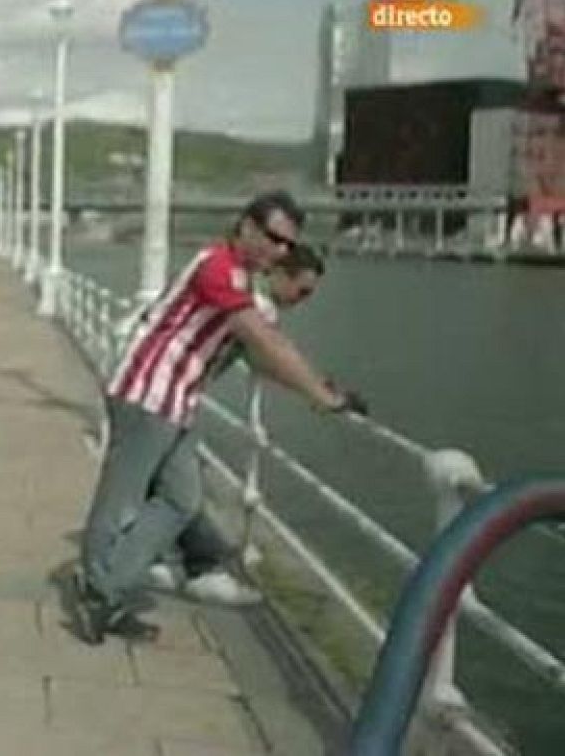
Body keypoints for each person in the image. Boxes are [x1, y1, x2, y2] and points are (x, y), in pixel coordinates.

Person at [69, 191, 366, 645]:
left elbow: (262, 356)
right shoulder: (218, 269)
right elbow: (264, 343)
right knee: (120, 501)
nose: (280, 250)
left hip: (175, 403)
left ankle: (106, 586)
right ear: (246, 226)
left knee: (181, 501)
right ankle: (100, 594)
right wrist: (321, 398)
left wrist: (321, 391)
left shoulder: (242, 280)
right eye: (273, 238)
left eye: (287, 244)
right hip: (145, 396)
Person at [147, 243, 330, 606]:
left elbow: (261, 359)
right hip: (160, 394)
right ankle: (182, 565)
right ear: (279, 274)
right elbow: (270, 355)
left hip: (162, 391)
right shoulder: (253, 307)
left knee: (165, 481)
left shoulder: (243, 295)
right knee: (178, 487)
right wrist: (321, 395)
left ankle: (173, 560)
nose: (303, 299)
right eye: (302, 290)